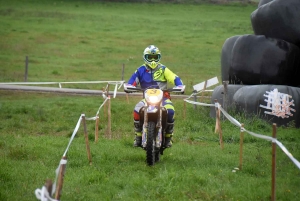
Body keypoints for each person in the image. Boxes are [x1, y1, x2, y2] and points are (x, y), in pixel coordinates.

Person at [124, 45, 184, 148]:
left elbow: (174, 77)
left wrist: (180, 85)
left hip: (163, 98)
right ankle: (138, 136)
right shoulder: (140, 70)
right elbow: (132, 81)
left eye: (155, 57)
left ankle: (168, 137)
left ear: (158, 57)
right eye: (150, 57)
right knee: (136, 109)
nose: (152, 60)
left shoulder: (163, 69)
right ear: (145, 57)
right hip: (146, 99)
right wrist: (129, 87)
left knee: (170, 111)